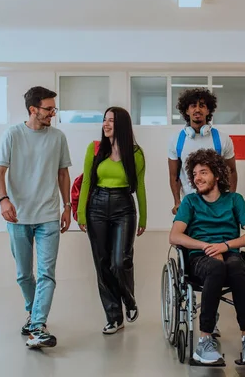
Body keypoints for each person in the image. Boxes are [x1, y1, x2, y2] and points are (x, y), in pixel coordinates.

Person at [0, 86, 72, 349]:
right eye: (49, 109)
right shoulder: (12, 135)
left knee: (46, 273)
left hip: (48, 215)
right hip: (18, 216)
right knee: (23, 275)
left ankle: (38, 325)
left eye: (54, 109)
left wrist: (67, 206)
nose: (53, 114)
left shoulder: (58, 137)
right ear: (33, 109)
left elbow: (63, 174)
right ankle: (32, 312)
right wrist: (4, 200)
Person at [169, 148, 245, 365]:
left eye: (203, 172)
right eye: (194, 174)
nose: (197, 178)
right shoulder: (190, 202)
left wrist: (224, 246)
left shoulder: (235, 200)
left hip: (229, 252)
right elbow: (174, 236)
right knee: (216, 268)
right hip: (200, 257)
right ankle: (205, 340)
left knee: (237, 268)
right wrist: (207, 247)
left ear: (217, 175)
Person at [76, 106, 147, 335]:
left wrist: (143, 216)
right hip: (96, 206)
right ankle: (113, 316)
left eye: (111, 121)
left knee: (120, 261)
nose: (105, 124)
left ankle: (129, 299)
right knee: (102, 262)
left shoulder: (135, 153)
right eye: (104, 120)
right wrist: (81, 212)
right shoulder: (95, 148)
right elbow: (87, 181)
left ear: (123, 125)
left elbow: (140, 186)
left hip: (123, 207)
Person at [168, 87, 238, 215]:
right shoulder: (176, 141)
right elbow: (174, 175)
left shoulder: (222, 139)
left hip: (218, 203)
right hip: (190, 204)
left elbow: (232, 171)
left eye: (202, 106)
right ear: (186, 111)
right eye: (193, 106)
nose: (197, 109)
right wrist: (177, 201)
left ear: (208, 110)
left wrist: (231, 199)